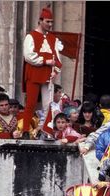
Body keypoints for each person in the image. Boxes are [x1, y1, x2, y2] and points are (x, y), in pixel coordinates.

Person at [23, 7, 63, 140]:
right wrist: (45, 61)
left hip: (47, 75)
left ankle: (45, 130)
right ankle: (25, 131)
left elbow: (57, 59)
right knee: (31, 103)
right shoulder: (31, 36)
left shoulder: (53, 38)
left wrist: (55, 71)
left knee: (49, 104)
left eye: (51, 22)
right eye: (48, 21)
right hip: (34, 73)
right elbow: (29, 56)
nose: (50, 25)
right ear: (40, 21)